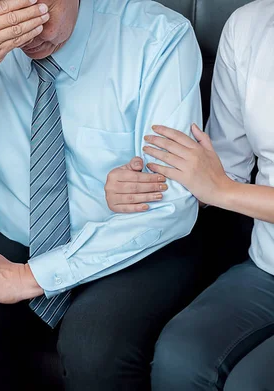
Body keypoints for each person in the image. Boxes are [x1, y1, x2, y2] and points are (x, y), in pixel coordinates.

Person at [0, 0, 206, 389]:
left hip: (132, 244)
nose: (25, 28)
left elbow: (171, 202)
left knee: (92, 344)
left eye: (40, 4)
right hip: (20, 234)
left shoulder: (157, 36)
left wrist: (29, 278)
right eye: (6, 5)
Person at [103, 0, 274, 389]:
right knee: (180, 355)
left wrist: (224, 191)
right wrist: (132, 188)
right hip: (268, 269)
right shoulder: (249, 26)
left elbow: (222, 186)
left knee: (251, 382)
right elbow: (219, 170)